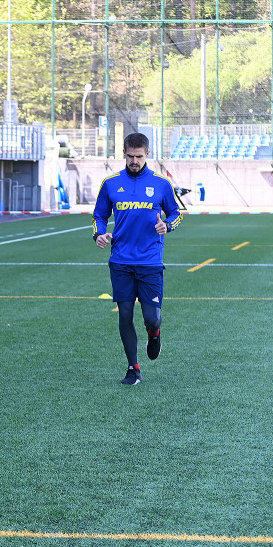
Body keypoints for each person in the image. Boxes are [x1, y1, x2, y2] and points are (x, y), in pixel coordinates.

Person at [92, 132, 181, 385]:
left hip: (150, 261)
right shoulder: (110, 183)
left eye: (139, 156)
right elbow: (98, 215)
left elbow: (176, 213)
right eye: (130, 156)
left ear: (147, 155)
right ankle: (133, 368)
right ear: (124, 153)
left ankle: (155, 334)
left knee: (151, 317)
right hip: (120, 260)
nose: (134, 161)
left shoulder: (161, 184)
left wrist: (168, 225)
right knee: (125, 314)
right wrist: (99, 234)